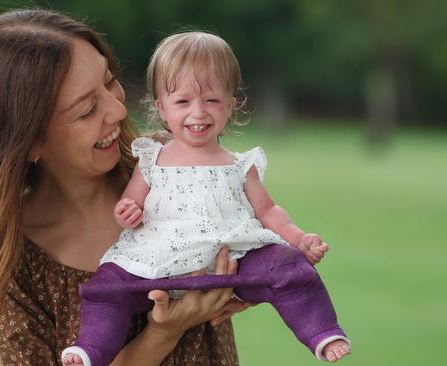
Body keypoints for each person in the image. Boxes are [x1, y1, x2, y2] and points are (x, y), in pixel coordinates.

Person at [0, 10, 251, 366]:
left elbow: (249, 232)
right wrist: (163, 333)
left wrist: (246, 280)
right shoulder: (8, 266)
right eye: (86, 110)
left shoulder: (167, 163)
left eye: (109, 80)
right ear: (29, 143)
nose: (117, 110)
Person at [62, 32, 351, 366]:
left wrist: (298, 238)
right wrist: (128, 211)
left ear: (230, 106)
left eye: (211, 101)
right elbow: (132, 202)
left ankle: (323, 333)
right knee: (106, 288)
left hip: (231, 260)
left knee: (289, 267)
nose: (198, 113)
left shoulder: (241, 165)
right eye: (183, 102)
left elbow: (267, 210)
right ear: (162, 109)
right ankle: (91, 350)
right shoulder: (152, 159)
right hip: (157, 260)